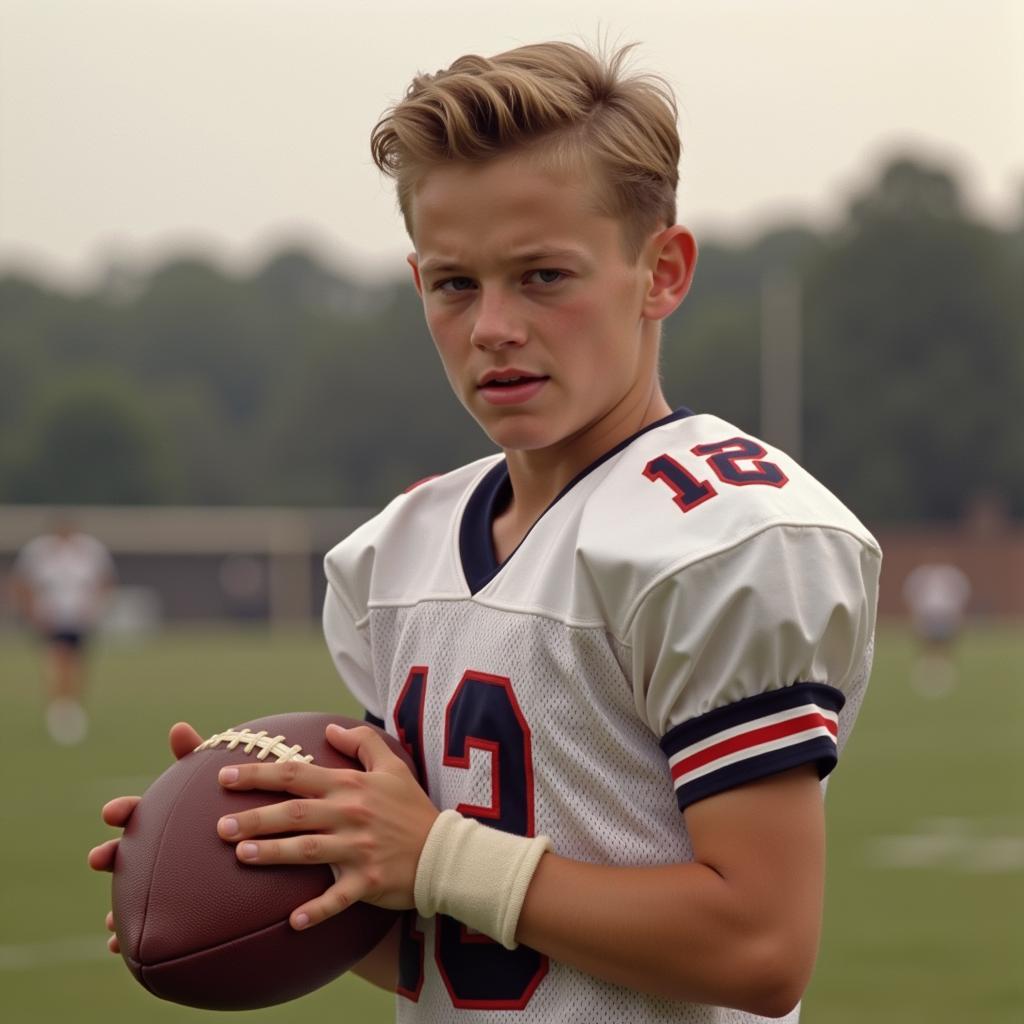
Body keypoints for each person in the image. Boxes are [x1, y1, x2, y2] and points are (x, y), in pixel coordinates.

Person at [90, 42, 881, 1021]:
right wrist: (257, 873)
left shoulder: (720, 539)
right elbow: (457, 947)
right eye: (455, 285)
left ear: (661, 271)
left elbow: (759, 946)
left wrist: (434, 852)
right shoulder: (399, 550)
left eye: (543, 276)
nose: (493, 326)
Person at [11, 517, 115, 744]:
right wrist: (31, 612)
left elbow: (104, 581)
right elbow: (23, 583)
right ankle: (59, 710)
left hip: (79, 619)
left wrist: (95, 608)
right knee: (58, 660)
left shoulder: (90, 551)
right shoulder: (38, 553)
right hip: (51, 618)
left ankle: (72, 706)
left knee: (77, 664)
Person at [902, 560, 971, 697]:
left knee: (945, 647)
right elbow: (911, 594)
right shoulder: (920, 575)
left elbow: (961, 594)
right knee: (927, 647)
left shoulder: (952, 575)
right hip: (927, 615)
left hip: (946, 615)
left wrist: (957, 616)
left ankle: (944, 673)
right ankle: (927, 671)